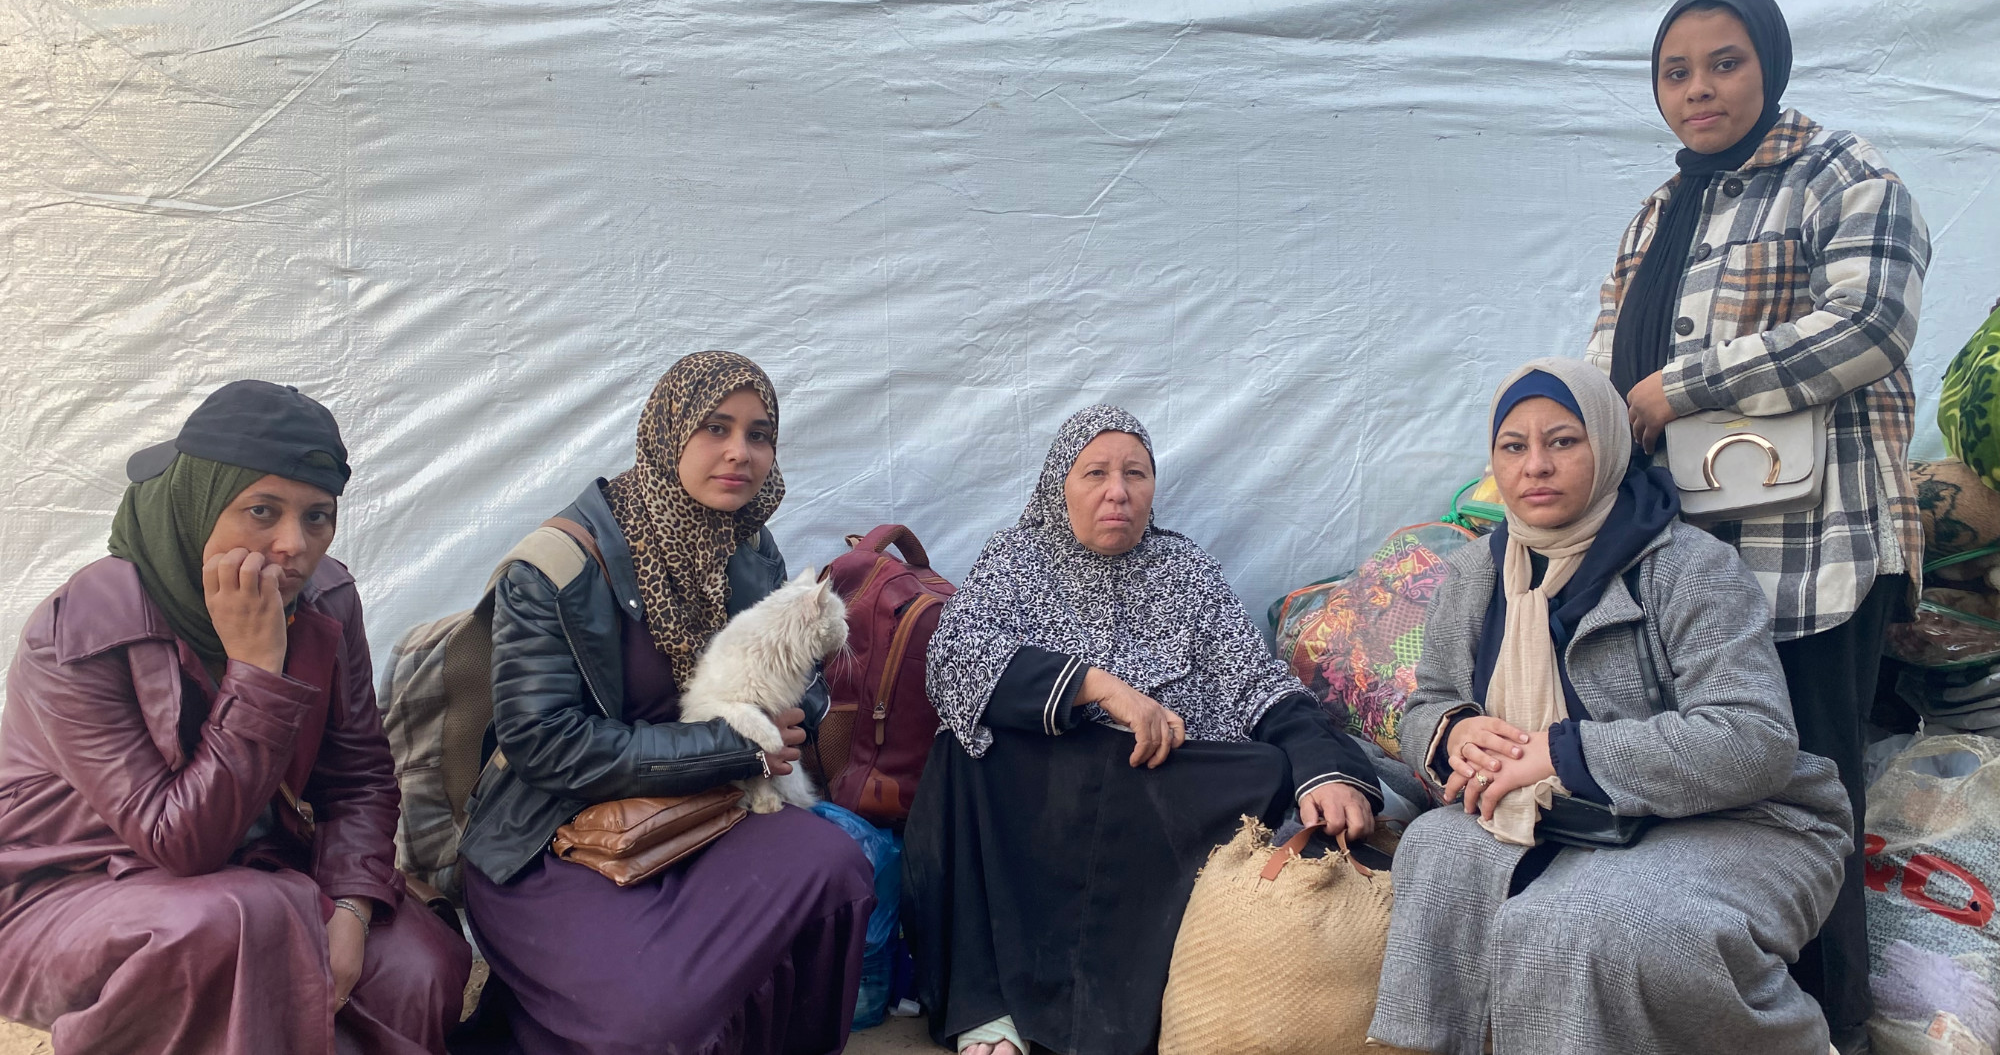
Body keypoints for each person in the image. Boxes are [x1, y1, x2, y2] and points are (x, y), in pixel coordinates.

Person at [1583, 0, 1929, 1044]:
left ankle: (1832, 1024)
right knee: (1710, 790)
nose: (1699, 89)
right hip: (1689, 558)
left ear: (1769, 66)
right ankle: (1729, 1017)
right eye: (1675, 71)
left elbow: (1868, 323)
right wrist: (1575, 437)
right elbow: (1607, 351)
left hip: (1814, 552)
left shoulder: (1844, 175)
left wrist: (1680, 388)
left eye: (1724, 63)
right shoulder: (1659, 210)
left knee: (1806, 796)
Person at [1367, 358, 1851, 1055]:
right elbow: (1430, 701)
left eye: (1563, 441)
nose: (1535, 465)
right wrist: (1454, 734)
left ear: (1610, 445)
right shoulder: (1477, 574)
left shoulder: (1688, 566)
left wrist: (1562, 753)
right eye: (1513, 446)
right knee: (1438, 850)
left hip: (1738, 817)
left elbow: (1754, 740)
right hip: (1564, 812)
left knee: (1587, 922)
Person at [0, 380, 472, 1054]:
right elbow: (179, 842)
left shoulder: (327, 598)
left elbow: (359, 775)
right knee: (236, 919)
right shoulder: (81, 630)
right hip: (69, 888)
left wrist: (352, 905)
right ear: (198, 502)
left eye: (317, 516)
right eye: (261, 510)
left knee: (416, 967)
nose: (293, 543)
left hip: (264, 865)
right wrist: (256, 666)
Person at [905, 404, 1382, 1055]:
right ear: (1058, 486)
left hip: (1159, 787)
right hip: (1044, 787)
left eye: (1135, 473)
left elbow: (1257, 683)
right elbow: (953, 657)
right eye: (1095, 473)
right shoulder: (1014, 560)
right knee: (964, 749)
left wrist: (1326, 770)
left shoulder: (1186, 571)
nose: (1118, 491)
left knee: (1272, 770)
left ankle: (1148, 1009)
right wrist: (1100, 688)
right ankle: (991, 1007)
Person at [454, 351, 874, 1055]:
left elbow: (793, 671)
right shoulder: (558, 563)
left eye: (760, 434)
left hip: (711, 807)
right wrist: (736, 744)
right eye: (716, 427)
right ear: (668, 430)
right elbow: (542, 741)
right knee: (650, 1019)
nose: (740, 452)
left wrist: (789, 708)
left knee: (835, 868)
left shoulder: (749, 545)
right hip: (561, 832)